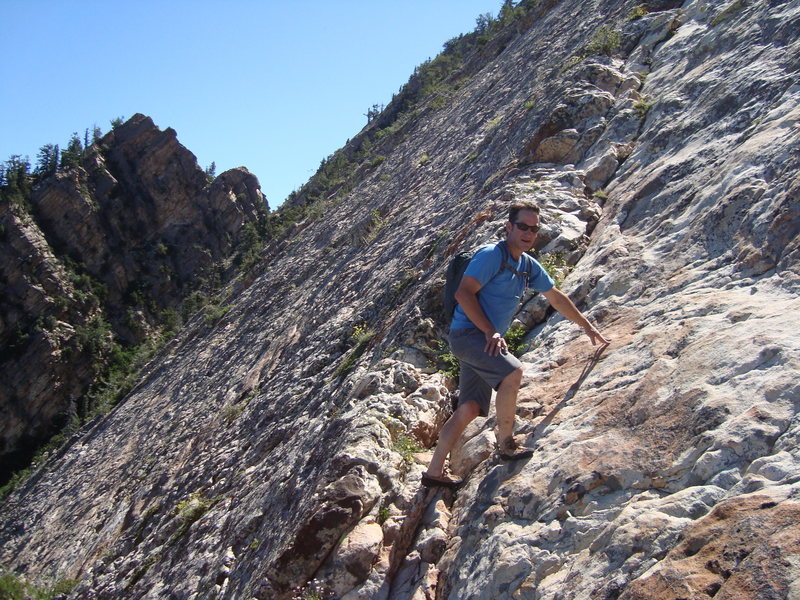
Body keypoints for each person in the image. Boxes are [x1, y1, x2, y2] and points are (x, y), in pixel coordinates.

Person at [422, 200, 610, 488]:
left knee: (470, 407)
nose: (528, 233)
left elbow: (555, 297)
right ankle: (506, 444)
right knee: (513, 372)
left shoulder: (526, 265)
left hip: (480, 341)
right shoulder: (490, 255)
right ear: (508, 227)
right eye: (522, 226)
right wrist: (489, 331)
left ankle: (433, 473)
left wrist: (587, 326)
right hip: (470, 336)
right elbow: (464, 293)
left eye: (534, 229)